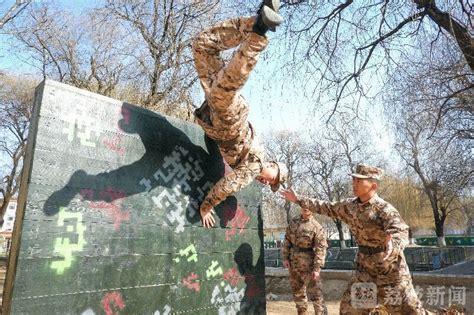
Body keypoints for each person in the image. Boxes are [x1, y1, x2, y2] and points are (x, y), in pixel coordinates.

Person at [281, 164, 426, 314]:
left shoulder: (384, 209)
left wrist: (393, 245)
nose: (354, 184)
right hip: (365, 271)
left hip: (390, 271)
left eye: (359, 181)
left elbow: (400, 230)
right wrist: (298, 199)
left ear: (373, 186)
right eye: (354, 180)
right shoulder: (350, 206)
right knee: (351, 309)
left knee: (409, 310)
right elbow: (326, 207)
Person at [192, 0, 287, 228]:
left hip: (223, 118)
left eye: (267, 184)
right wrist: (206, 206)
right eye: (272, 179)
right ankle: (259, 33)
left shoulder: (253, 162)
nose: (265, 181)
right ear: (272, 164)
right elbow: (227, 187)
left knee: (203, 45)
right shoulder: (254, 164)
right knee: (224, 90)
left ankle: (254, 22)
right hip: (229, 121)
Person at [281, 207, 328, 315]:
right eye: (303, 206)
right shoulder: (293, 222)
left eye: (308, 206)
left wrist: (317, 268)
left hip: (309, 266)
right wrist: (285, 257)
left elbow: (321, 249)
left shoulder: (316, 227)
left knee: (316, 295)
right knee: (298, 293)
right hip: (293, 265)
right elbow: (287, 240)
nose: (305, 208)